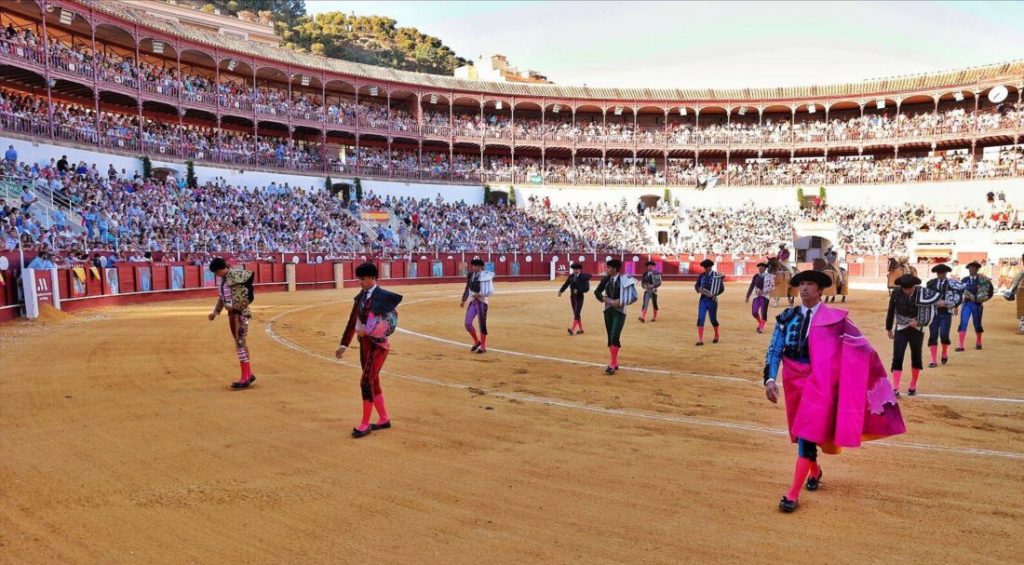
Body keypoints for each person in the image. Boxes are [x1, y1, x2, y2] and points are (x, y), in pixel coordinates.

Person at [763, 270, 905, 513]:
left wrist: (861, 372)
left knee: (807, 431)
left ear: (820, 291)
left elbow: (860, 348)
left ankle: (792, 494)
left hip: (821, 383)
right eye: (802, 284)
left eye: (810, 285)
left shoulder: (836, 319)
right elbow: (774, 350)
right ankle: (815, 471)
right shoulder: (786, 317)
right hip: (794, 382)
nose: (805, 288)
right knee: (802, 432)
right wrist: (770, 379)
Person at [336, 262, 403, 439]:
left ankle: (365, 423)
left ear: (373, 278)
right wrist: (344, 344)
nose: (361, 282)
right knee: (373, 382)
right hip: (365, 345)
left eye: (364, 279)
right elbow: (352, 321)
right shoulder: (360, 297)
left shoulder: (383, 297)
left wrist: (372, 330)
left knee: (366, 382)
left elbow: (390, 323)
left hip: (379, 346)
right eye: (360, 279)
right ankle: (383, 418)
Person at [886, 274, 940, 396]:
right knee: (898, 356)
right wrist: (889, 328)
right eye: (905, 288)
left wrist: (920, 322)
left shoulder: (922, 293)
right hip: (901, 328)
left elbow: (932, 306)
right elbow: (891, 310)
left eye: (910, 288)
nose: (908, 290)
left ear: (914, 286)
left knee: (916, 356)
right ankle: (895, 387)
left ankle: (913, 385)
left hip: (916, 329)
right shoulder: (896, 293)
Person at [207, 257, 257, 389]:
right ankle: (249, 373)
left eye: (217, 272)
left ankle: (245, 377)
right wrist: (215, 312)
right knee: (240, 343)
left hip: (239, 315)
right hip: (232, 315)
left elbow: (246, 292)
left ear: (221, 269)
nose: (216, 275)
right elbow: (222, 298)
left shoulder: (234, 276)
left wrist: (239, 307)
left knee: (240, 344)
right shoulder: (223, 281)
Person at [594, 258, 636, 375]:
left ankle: (612, 364)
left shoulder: (624, 279)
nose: (607, 269)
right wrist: (605, 299)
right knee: (610, 337)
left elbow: (633, 296)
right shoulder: (606, 279)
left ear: (615, 269)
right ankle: (615, 361)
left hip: (619, 311)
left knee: (614, 336)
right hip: (608, 311)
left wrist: (621, 301)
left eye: (608, 268)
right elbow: (596, 292)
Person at [925, 263, 964, 367]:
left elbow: (959, 296)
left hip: (946, 313)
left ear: (946, 273)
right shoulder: (930, 283)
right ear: (936, 273)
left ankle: (944, 351)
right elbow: (926, 296)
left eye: (942, 273)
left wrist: (951, 304)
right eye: (939, 273)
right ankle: (933, 360)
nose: (940, 275)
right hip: (933, 313)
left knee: (944, 334)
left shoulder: (952, 284)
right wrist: (935, 302)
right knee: (933, 335)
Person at [957, 261, 993, 351]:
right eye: (970, 268)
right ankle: (961, 345)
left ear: (977, 269)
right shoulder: (964, 280)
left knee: (977, 323)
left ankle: (978, 342)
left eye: (973, 268)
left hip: (977, 305)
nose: (971, 270)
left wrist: (979, 298)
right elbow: (958, 292)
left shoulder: (982, 280)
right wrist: (956, 305)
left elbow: (990, 292)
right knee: (963, 322)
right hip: (966, 304)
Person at [460, 258, 493, 354]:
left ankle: (483, 347)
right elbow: (467, 288)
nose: (473, 267)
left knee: (482, 325)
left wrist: (481, 294)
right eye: (473, 265)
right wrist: (463, 300)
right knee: (467, 323)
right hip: (473, 302)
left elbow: (489, 290)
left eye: (476, 266)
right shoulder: (471, 275)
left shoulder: (485, 276)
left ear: (480, 267)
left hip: (482, 302)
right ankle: (476, 341)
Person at [694, 259, 725, 345]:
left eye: (707, 267)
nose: (705, 269)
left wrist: (714, 294)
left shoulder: (717, 276)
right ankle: (700, 339)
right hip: (703, 299)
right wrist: (698, 289)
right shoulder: (701, 275)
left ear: (711, 267)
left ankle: (716, 334)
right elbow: (696, 285)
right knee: (701, 318)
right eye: (704, 267)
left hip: (713, 300)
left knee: (713, 319)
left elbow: (722, 289)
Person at [558, 262, 592, 335]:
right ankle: (581, 329)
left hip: (580, 297)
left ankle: (572, 329)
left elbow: (587, 288)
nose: (574, 270)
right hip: (572, 297)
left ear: (579, 269)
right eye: (573, 269)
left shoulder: (583, 277)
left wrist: (579, 290)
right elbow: (566, 284)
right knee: (576, 313)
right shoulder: (571, 276)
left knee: (577, 313)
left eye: (575, 269)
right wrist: (561, 291)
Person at [745, 261, 773, 333]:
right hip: (756, 296)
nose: (760, 268)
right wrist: (748, 296)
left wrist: (764, 291)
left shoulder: (769, 276)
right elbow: (752, 285)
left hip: (765, 296)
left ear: (765, 268)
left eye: (762, 267)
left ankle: (761, 327)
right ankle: (760, 322)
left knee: (763, 312)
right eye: (759, 267)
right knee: (754, 312)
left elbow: (772, 287)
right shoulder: (756, 276)